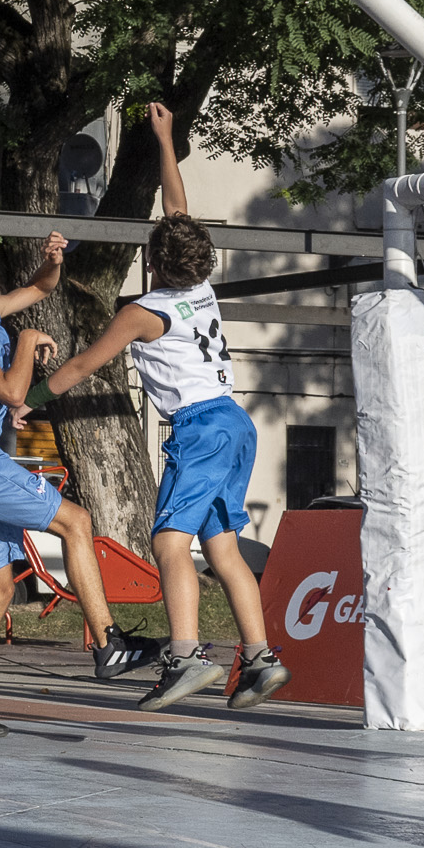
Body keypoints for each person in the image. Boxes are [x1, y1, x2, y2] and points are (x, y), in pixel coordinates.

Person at [43, 103, 288, 710]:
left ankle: (185, 656)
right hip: (234, 421)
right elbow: (178, 212)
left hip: (200, 428)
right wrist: (166, 140)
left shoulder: (141, 312)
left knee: (169, 543)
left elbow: (79, 367)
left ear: (152, 261)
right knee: (224, 548)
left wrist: (25, 399)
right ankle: (259, 660)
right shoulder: (200, 288)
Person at [0, 234, 160, 735]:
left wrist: (52, 260)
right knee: (76, 520)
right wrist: (26, 342)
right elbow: (13, 390)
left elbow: (40, 288)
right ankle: (108, 643)